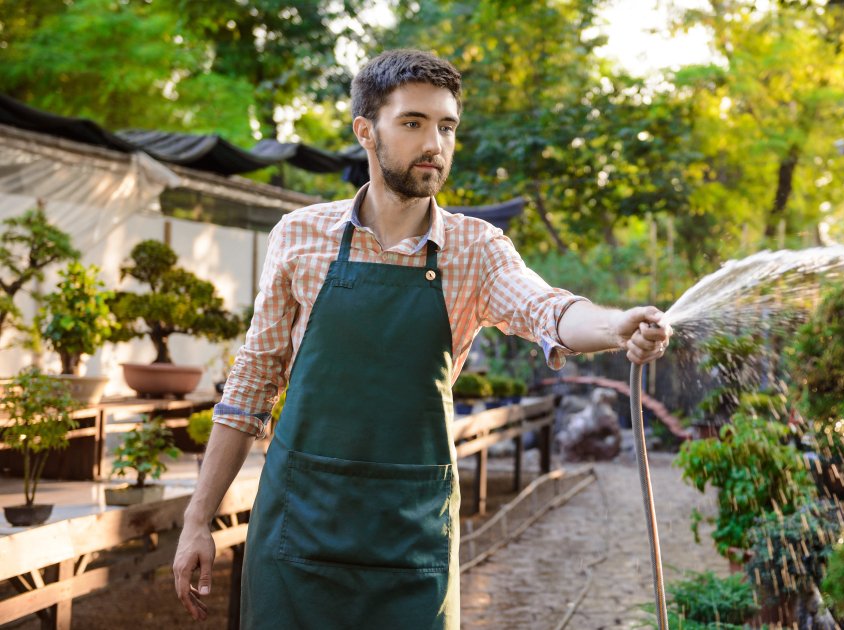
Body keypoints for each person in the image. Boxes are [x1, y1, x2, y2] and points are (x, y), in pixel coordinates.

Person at [171, 49, 671, 628]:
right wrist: (196, 519)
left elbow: (545, 308)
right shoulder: (299, 236)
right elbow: (251, 384)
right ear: (366, 131)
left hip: (411, 537)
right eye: (413, 123)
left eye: (447, 125)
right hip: (297, 529)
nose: (434, 143)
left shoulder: (476, 249)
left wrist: (615, 326)